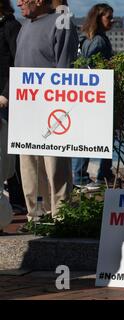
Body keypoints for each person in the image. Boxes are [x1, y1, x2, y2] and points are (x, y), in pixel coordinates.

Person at [15, 0, 79, 218]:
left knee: (55, 166)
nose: (18, 3)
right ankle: (36, 215)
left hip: (53, 109)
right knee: (29, 167)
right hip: (26, 109)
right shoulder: (24, 26)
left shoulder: (61, 21)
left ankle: (61, 216)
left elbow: (65, 66)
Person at [72, 3, 115, 191]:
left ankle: (93, 173)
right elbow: (91, 67)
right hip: (97, 95)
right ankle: (84, 176)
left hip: (88, 96)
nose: (112, 21)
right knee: (96, 134)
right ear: (99, 18)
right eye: (109, 17)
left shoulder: (88, 39)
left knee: (89, 134)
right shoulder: (98, 41)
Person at [0, 0, 26, 218]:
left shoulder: (11, 26)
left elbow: (18, 63)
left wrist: (6, 94)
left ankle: (18, 200)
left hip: (4, 98)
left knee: (10, 151)